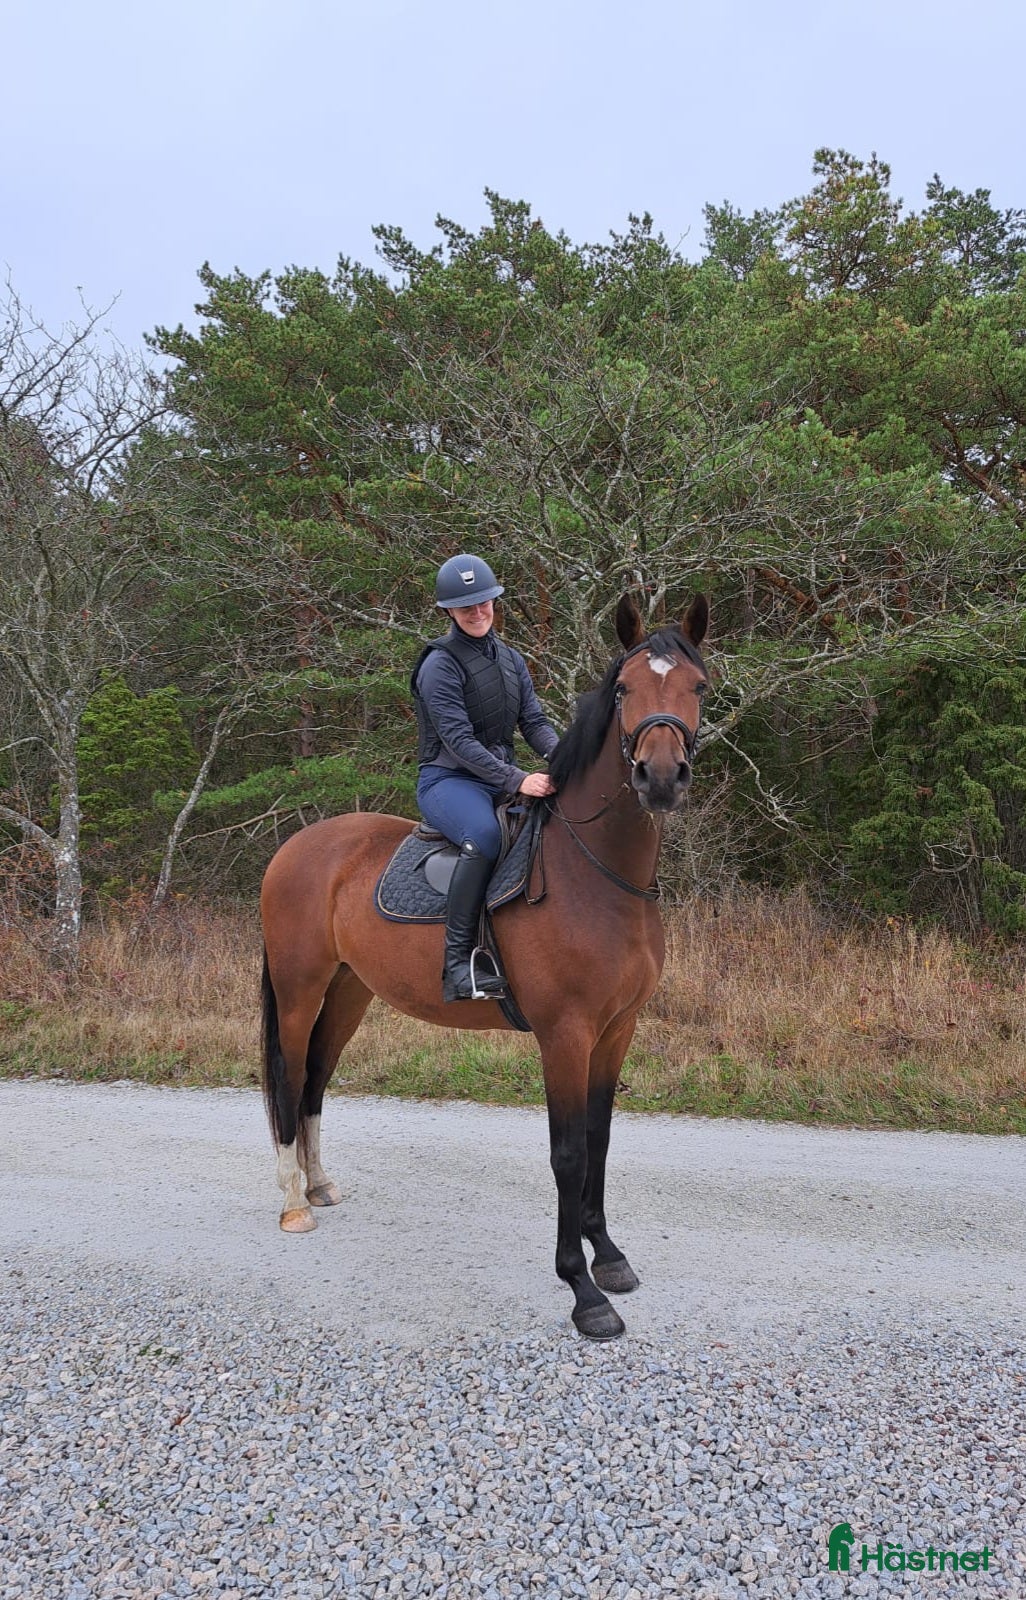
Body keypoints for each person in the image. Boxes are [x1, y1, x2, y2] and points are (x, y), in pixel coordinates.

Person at [411, 553, 559, 1001]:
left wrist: (565, 757)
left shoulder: (512, 660)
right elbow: (457, 740)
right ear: (449, 611)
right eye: (466, 606)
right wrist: (517, 780)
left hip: (495, 779)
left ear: (494, 602)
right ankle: (459, 966)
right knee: (484, 836)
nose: (477, 612)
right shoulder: (439, 665)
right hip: (448, 780)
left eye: (484, 602)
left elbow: (534, 722)